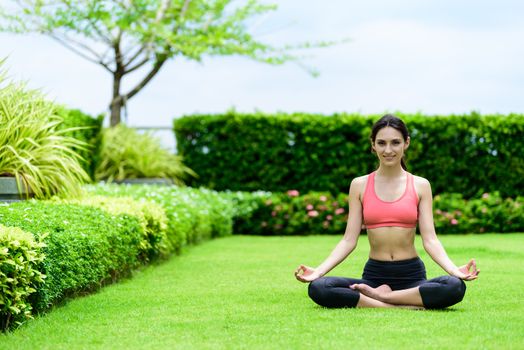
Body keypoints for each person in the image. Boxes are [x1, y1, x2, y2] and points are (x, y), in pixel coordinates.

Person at [294, 114, 479, 309]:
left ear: (406, 143)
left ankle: (381, 299)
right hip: (375, 276)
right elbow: (348, 240)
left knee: (454, 286)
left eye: (395, 143)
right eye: (381, 143)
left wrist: (453, 270)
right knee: (319, 287)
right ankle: (401, 304)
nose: (388, 150)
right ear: (373, 145)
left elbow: (430, 240)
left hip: (412, 276)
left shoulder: (420, 185)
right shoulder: (359, 185)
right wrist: (318, 272)